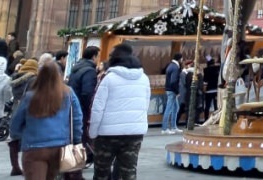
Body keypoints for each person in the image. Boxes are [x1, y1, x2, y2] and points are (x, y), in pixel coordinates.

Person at [9, 62, 82, 180]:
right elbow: (77, 118)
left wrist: (16, 135)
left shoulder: (30, 96)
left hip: (34, 146)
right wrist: (77, 138)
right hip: (60, 146)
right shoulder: (68, 93)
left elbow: (16, 121)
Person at [89, 43, 150, 180]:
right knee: (129, 172)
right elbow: (145, 105)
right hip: (134, 133)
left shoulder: (109, 79)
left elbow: (98, 108)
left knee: (101, 172)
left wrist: (93, 132)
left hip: (107, 135)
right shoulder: (144, 79)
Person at [65, 45, 98, 174]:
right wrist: (89, 108)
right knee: (82, 135)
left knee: (76, 133)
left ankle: (75, 160)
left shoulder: (77, 68)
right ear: (94, 56)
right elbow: (87, 92)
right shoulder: (89, 71)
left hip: (73, 105)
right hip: (82, 107)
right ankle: (79, 161)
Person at [6, 58, 38, 177]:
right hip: (28, 109)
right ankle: (27, 167)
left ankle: (15, 167)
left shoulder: (15, 77)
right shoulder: (33, 79)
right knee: (28, 138)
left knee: (14, 139)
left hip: (16, 108)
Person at [161, 54, 182, 135]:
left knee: (175, 107)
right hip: (172, 90)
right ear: (180, 59)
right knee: (169, 109)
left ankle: (173, 126)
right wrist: (177, 91)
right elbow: (173, 81)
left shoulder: (170, 66)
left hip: (169, 89)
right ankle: (165, 128)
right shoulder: (175, 67)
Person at [202, 57, 219, 122]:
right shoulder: (217, 69)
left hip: (208, 90)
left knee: (207, 106)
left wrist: (204, 90)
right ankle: (216, 119)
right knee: (216, 106)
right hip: (216, 90)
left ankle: (206, 119)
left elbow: (205, 81)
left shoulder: (206, 70)